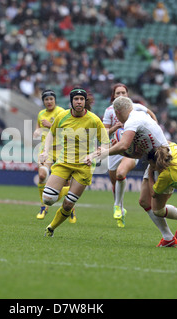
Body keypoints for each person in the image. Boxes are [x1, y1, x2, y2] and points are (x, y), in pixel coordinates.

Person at [86, 96, 177, 247]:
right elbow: (137, 153)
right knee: (144, 201)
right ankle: (168, 238)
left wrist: (101, 153)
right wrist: (111, 150)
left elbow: (123, 145)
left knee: (158, 209)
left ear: (118, 112)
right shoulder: (138, 115)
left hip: (165, 162)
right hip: (154, 161)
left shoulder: (132, 121)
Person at [39, 87, 109, 237]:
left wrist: (93, 155)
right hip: (64, 162)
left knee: (69, 203)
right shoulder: (62, 116)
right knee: (48, 199)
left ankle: (51, 228)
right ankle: (65, 191)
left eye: (81, 99)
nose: (79, 102)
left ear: (85, 101)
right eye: (76, 99)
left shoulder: (94, 120)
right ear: (71, 101)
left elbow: (105, 145)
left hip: (84, 166)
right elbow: (52, 133)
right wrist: (45, 151)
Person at [102, 83, 157, 227]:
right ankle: (120, 209)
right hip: (116, 148)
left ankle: (117, 206)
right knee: (115, 182)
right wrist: (115, 128)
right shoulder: (109, 111)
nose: (120, 96)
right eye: (117, 93)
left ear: (128, 95)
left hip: (131, 149)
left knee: (121, 174)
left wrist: (155, 125)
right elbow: (103, 133)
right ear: (113, 96)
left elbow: (150, 113)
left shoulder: (136, 107)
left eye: (123, 93)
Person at [33, 89, 71, 221]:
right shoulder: (41, 113)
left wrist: (50, 125)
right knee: (42, 175)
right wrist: (37, 131)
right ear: (43, 101)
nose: (49, 102)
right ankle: (44, 206)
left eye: (51, 99)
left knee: (67, 181)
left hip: (61, 149)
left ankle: (69, 207)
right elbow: (38, 125)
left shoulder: (61, 112)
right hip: (46, 149)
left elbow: (66, 131)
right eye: (46, 100)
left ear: (55, 100)